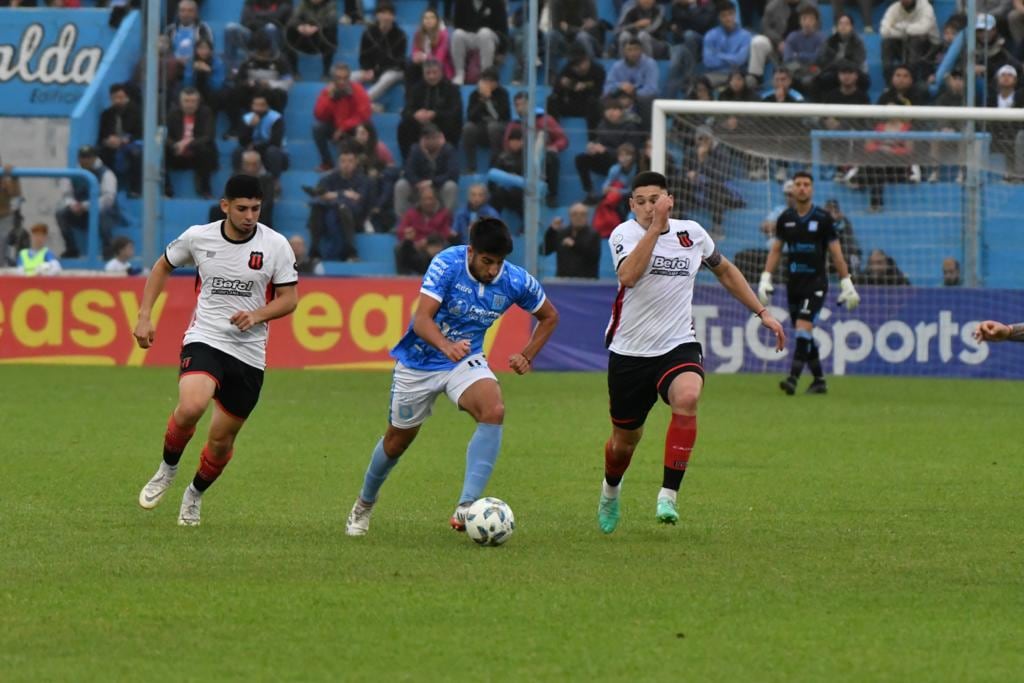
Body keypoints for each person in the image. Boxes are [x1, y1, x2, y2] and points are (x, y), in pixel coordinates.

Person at [345, 217, 560, 536]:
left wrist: (527, 354)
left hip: (465, 359)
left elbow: (549, 316)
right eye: (486, 261)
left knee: (494, 410)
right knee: (396, 441)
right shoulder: (447, 263)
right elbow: (421, 320)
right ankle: (363, 505)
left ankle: (467, 505)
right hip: (419, 361)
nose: (492, 270)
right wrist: (445, 345)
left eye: (498, 263)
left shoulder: (515, 281)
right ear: (471, 251)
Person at [599, 171, 786, 533]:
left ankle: (668, 495)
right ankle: (610, 490)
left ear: (670, 199)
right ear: (631, 205)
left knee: (687, 397)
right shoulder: (624, 234)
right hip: (630, 353)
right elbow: (628, 278)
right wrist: (655, 229)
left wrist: (761, 312)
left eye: (657, 200)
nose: (650, 207)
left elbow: (725, 270)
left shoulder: (693, 234)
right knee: (624, 443)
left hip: (677, 344)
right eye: (642, 201)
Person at [134, 175, 299, 527]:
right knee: (191, 405)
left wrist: (257, 314)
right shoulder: (199, 237)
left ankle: (194, 494)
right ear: (225, 206)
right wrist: (145, 315)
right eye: (242, 208)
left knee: (221, 441)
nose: (249, 216)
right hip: (206, 337)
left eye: (255, 208)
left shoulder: (276, 245)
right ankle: (167, 469)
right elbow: (163, 265)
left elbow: (289, 299)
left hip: (250, 353)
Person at [757, 171, 860, 396]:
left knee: (803, 328)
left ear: (812, 189)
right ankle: (819, 381)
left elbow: (836, 253)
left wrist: (846, 283)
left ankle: (793, 379)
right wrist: (766, 277)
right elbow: (776, 249)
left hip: (816, 283)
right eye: (798, 185)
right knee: (804, 333)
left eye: (806, 184)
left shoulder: (823, 218)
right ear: (793, 189)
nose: (802, 188)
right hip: (793, 283)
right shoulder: (786, 218)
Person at [56, 145, 121, 259]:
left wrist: (85, 206)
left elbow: (108, 198)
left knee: (103, 215)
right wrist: (72, 205)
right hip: (79, 212)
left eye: (88, 157)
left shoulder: (106, 173)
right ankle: (71, 249)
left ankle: (108, 249)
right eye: (82, 157)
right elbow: (66, 194)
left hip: (101, 211)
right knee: (61, 213)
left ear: (94, 158)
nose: (85, 160)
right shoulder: (73, 173)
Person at [397, 59, 463, 160]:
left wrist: (435, 114)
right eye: (428, 73)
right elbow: (406, 110)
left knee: (453, 123)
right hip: (420, 125)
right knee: (403, 126)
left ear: (441, 72)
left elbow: (456, 112)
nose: (431, 76)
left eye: (434, 73)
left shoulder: (452, 89)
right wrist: (415, 114)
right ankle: (408, 161)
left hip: (442, 124)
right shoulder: (417, 89)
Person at [312, 62, 373, 171]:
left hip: (351, 128)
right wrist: (328, 98)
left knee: (365, 127)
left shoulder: (357, 89)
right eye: (338, 78)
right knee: (317, 128)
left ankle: (363, 164)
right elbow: (319, 115)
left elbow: (364, 114)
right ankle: (327, 163)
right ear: (333, 79)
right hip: (335, 127)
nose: (342, 82)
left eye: (345, 78)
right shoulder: (327, 92)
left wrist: (343, 127)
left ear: (349, 78)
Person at [394, 124, 460, 216]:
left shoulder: (448, 150)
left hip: (438, 187)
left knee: (451, 186)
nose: (431, 141)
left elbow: (452, 174)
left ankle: (446, 221)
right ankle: (403, 222)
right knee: (401, 185)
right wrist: (418, 183)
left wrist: (432, 182)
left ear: (440, 137)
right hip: (418, 187)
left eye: (434, 138)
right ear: (423, 139)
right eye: (428, 138)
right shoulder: (415, 150)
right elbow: (408, 170)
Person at [165, 87, 218, 199]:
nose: (190, 105)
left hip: (198, 154)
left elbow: (208, 136)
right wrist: (175, 145)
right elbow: (166, 136)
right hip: (177, 154)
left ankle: (205, 189)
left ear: (198, 102)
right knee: (161, 150)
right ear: (180, 102)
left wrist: (187, 144)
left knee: (206, 149)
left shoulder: (206, 113)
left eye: (193, 101)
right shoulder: (172, 114)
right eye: (186, 101)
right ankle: (166, 189)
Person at [353, 2, 407, 103]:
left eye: (390, 14)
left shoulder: (401, 35)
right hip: (372, 70)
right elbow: (363, 56)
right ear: (377, 15)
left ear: (393, 17)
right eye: (383, 13)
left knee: (387, 78)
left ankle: (363, 102)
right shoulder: (368, 33)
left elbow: (398, 61)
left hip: (393, 70)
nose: (386, 17)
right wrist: (367, 69)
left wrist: (377, 71)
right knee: (350, 77)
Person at [461, 67, 510, 174]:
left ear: (496, 83)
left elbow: (500, 116)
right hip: (480, 127)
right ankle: (471, 166)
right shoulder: (475, 94)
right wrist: (482, 101)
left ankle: (494, 165)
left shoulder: (502, 94)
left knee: (493, 127)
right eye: (484, 81)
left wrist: (489, 101)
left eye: (490, 81)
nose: (487, 84)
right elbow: (470, 116)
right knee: (468, 128)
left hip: (498, 128)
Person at [394, 184, 453, 274]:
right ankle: (402, 277)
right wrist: (409, 237)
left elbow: (445, 233)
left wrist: (427, 241)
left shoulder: (444, 214)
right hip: (415, 247)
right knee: (399, 249)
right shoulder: (411, 213)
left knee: (432, 252)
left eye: (430, 199)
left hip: (433, 247)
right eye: (425, 199)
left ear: (436, 200)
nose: (428, 202)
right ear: (420, 201)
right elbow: (401, 231)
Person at [97, 83, 142, 197]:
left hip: (130, 144)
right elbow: (102, 135)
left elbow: (138, 133)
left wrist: (124, 140)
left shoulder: (136, 112)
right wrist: (108, 141)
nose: (118, 100)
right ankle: (105, 189)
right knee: (100, 154)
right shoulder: (106, 114)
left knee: (135, 154)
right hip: (112, 145)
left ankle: (135, 190)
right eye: (115, 98)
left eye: (121, 97)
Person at [449, 0, 508, 85]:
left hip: (491, 37)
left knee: (484, 33)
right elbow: (457, 25)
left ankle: (486, 75)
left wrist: (502, 51)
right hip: (470, 35)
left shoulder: (497, 2)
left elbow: (503, 30)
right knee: (457, 34)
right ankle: (460, 73)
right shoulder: (461, 2)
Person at [879, 0, 939, 82]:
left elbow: (924, 28)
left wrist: (899, 27)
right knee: (887, 43)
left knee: (916, 39)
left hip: (928, 48)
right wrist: (907, 30)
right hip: (903, 44)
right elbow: (884, 31)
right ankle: (890, 83)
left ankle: (911, 82)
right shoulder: (894, 8)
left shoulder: (926, 7)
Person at [235, 93, 289, 179]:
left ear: (267, 106)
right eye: (255, 105)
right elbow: (242, 141)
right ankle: (238, 179)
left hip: (271, 149)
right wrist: (250, 127)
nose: (258, 108)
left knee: (273, 152)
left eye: (262, 105)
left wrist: (256, 147)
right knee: (238, 151)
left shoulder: (276, 118)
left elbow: (275, 142)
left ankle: (275, 180)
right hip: (252, 148)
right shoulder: (247, 118)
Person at [542, 203, 601, 278]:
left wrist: (574, 245)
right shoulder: (562, 233)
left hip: (586, 282)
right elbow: (545, 251)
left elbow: (593, 257)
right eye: (575, 214)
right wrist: (552, 231)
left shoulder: (593, 235)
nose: (578, 217)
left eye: (582, 214)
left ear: (587, 217)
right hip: (563, 282)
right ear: (569, 216)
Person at [285, 0, 338, 79]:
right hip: (304, 37)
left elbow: (332, 20)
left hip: (320, 38)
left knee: (331, 30)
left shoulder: (330, 4)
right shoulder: (304, 4)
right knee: (289, 30)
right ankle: (294, 72)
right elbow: (293, 19)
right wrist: (300, 26)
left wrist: (316, 27)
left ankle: (326, 72)